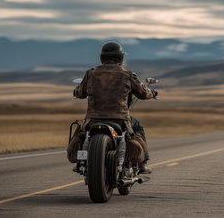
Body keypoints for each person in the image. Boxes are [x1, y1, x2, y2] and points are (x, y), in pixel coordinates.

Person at [67, 41, 157, 173]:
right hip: (120, 119)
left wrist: (76, 91)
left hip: (93, 119)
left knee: (80, 130)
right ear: (121, 57)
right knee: (138, 127)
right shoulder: (128, 74)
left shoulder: (91, 74)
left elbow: (80, 92)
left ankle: (81, 161)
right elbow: (143, 93)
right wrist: (153, 93)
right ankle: (143, 163)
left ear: (102, 57)